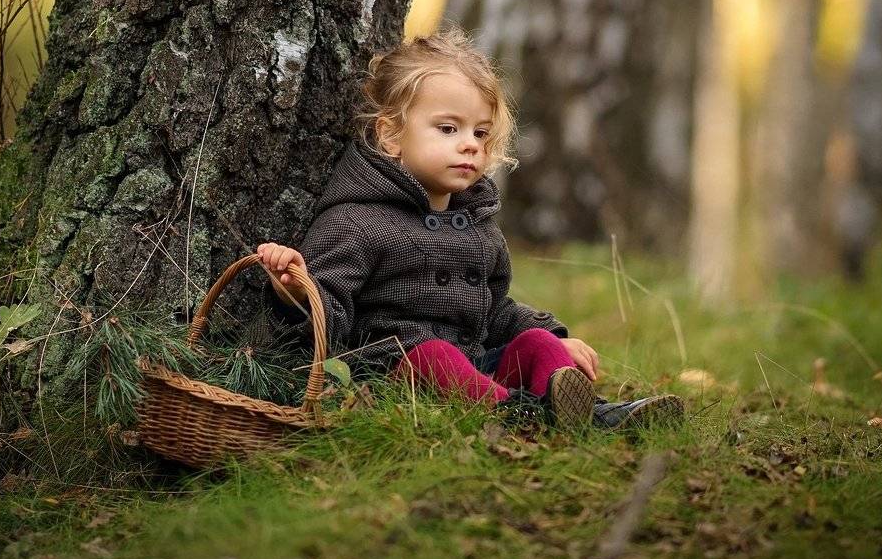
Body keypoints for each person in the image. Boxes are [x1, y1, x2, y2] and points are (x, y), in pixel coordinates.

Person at [256, 26, 684, 433]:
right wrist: (296, 290)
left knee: (537, 342)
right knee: (434, 355)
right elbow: (326, 320)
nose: (470, 144)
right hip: (391, 373)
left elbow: (492, 312)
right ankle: (523, 416)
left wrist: (553, 342)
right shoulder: (355, 221)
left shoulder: (478, 228)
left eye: (481, 133)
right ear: (391, 135)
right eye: (448, 129)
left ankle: (584, 412)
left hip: (475, 369)